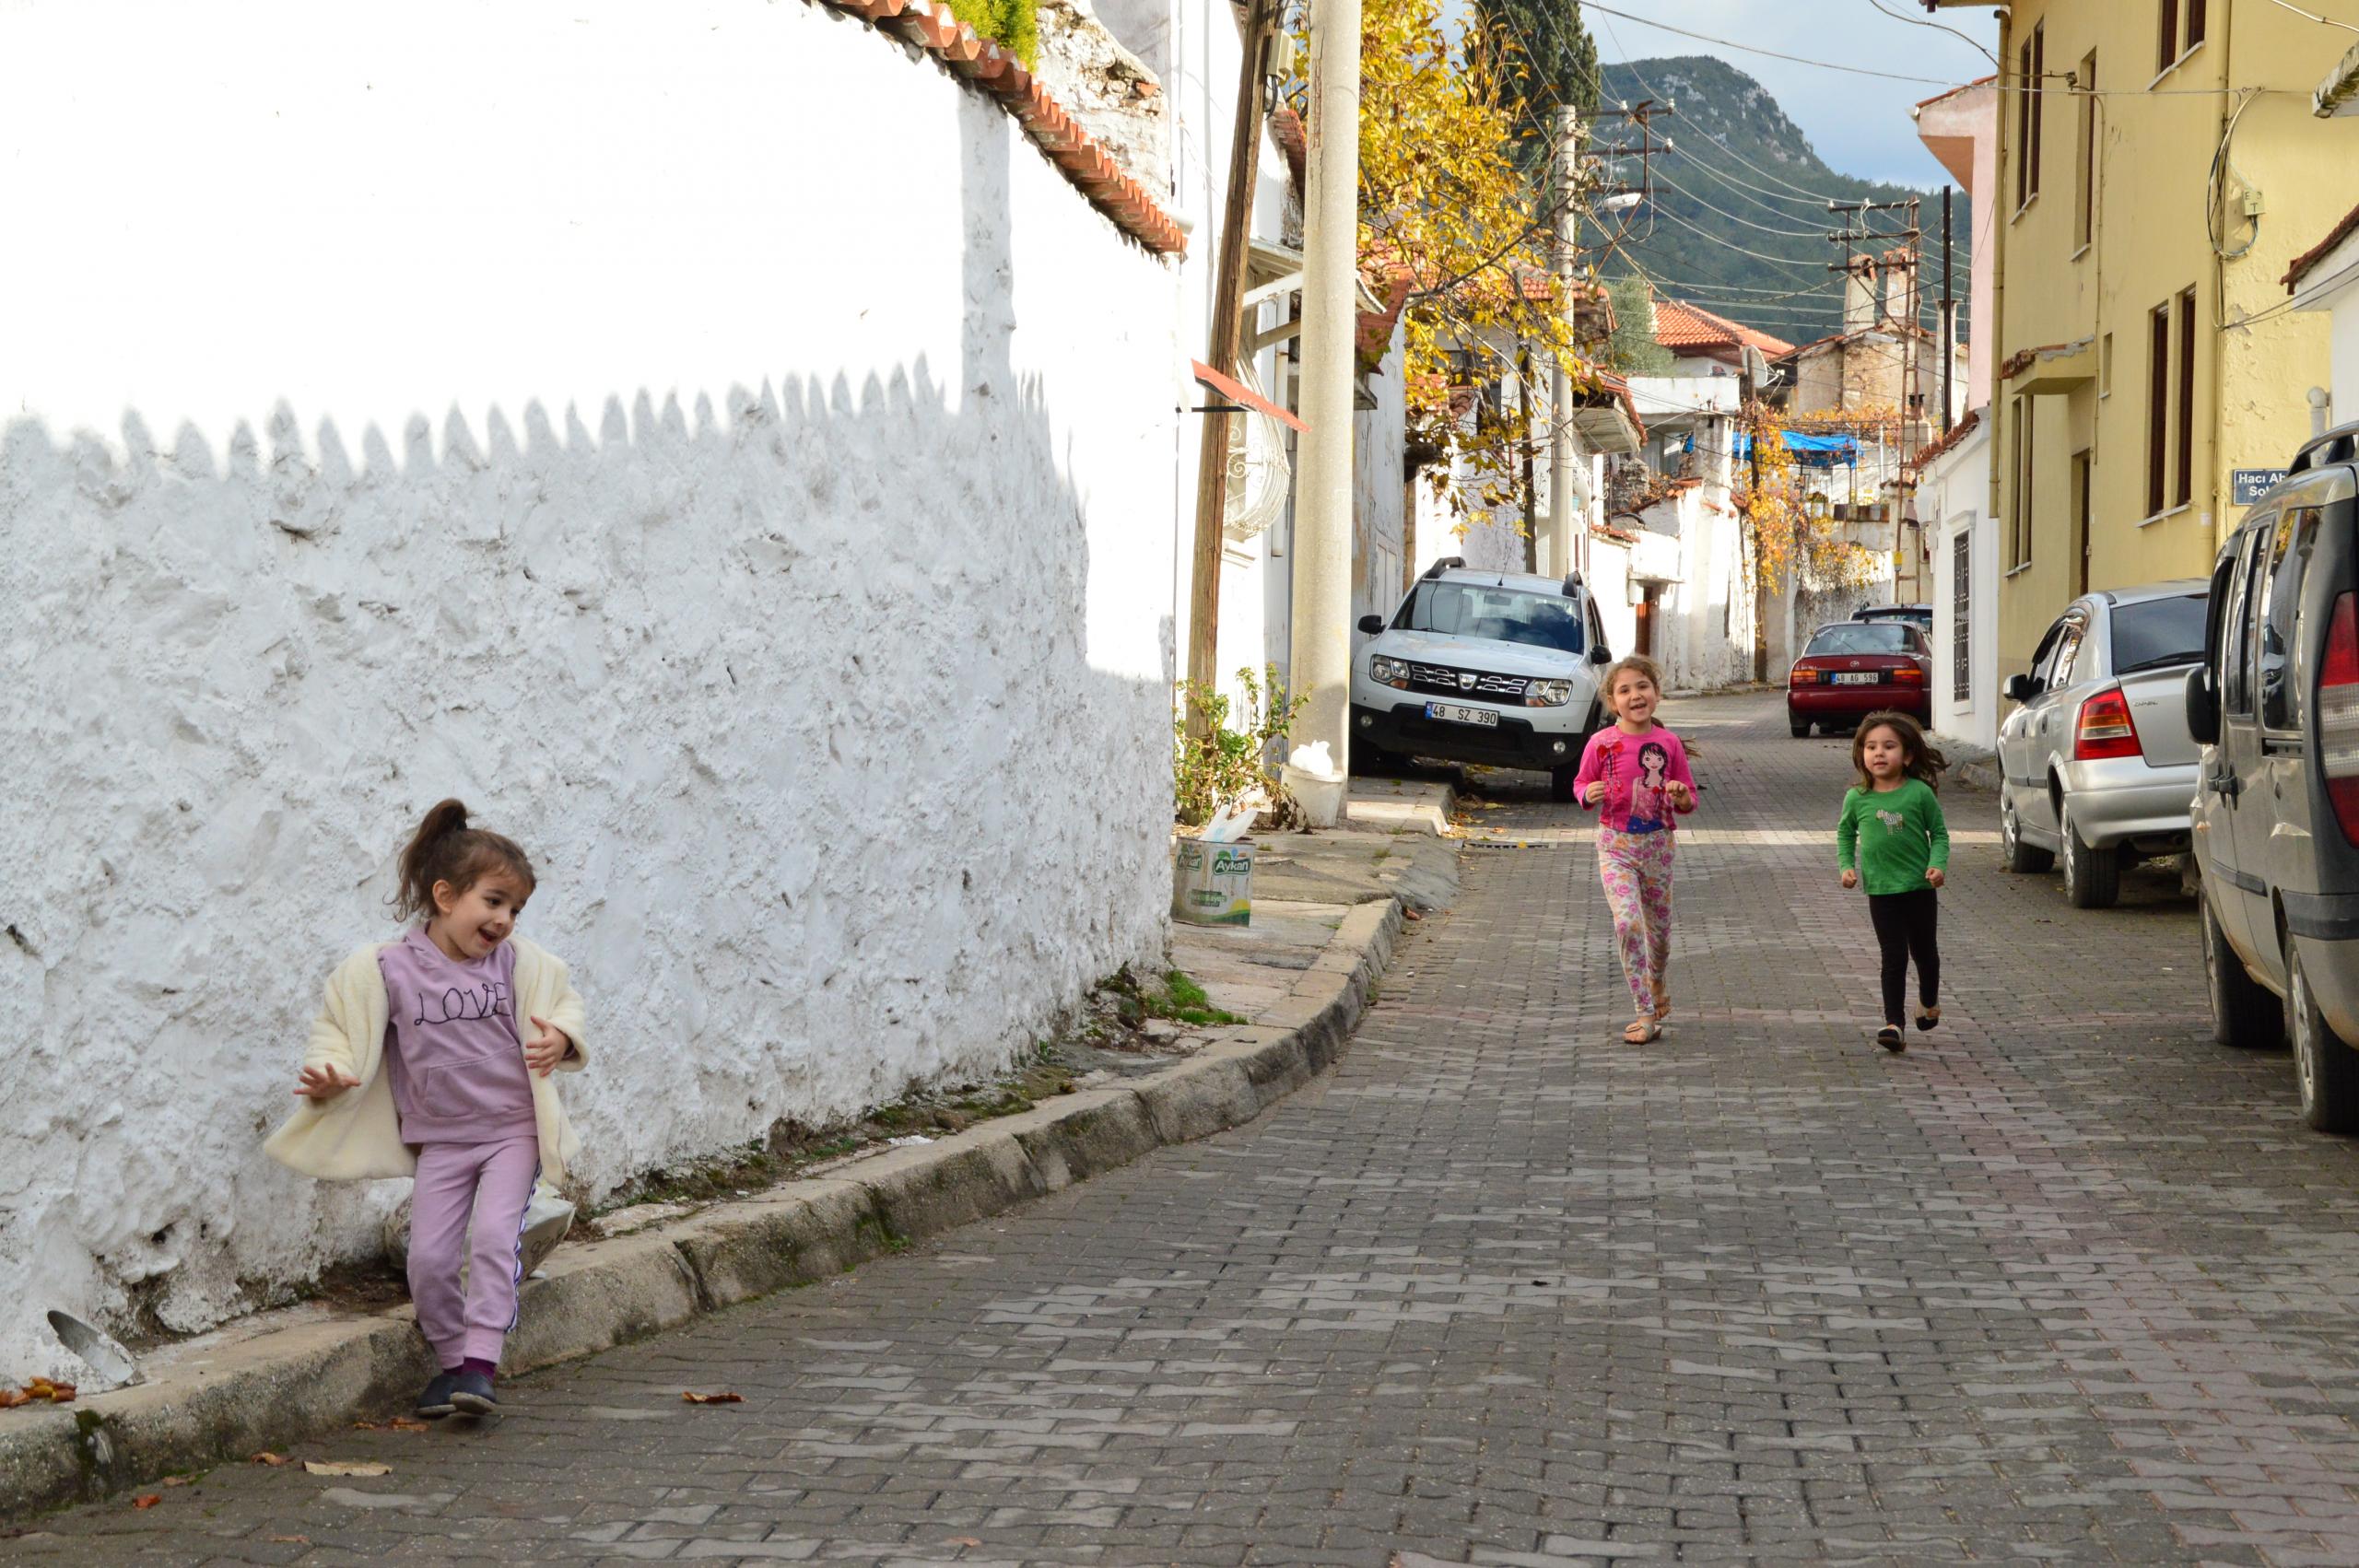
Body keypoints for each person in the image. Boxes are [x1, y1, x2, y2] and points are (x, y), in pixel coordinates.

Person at [264, 800, 589, 1419]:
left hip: (510, 1132)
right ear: (445, 896)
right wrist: (331, 1071)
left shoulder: (520, 963)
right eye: (493, 902)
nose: (504, 920)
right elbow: (340, 1025)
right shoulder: (385, 969)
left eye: (515, 909)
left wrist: (563, 1038)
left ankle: (481, 1364)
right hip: (439, 1139)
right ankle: (450, 1364)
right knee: (430, 1258)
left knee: (495, 1238)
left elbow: (563, 999)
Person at [1571, 655, 1698, 1043]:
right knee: (1628, 923)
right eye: (1624, 690)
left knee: (1659, 934)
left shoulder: (1669, 743)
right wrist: (1586, 794)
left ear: (1656, 695)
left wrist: (1679, 795)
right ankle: (1645, 1014)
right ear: (1613, 702)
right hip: (1616, 848)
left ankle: (1657, 980)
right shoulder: (1601, 744)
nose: (1635, 695)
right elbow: (1580, 785)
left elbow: (1690, 798)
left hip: (1658, 848)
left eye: (1642, 686)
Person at [1836, 712, 1951, 1052]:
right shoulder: (1857, 797)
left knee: (1925, 953)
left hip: (1918, 888)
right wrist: (1846, 866)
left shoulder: (1919, 793)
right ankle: (1893, 1024)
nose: (1879, 753)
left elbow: (1940, 834)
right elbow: (1845, 833)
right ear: (1861, 755)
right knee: (1893, 955)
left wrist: (1937, 865)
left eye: (1888, 746)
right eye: (1870, 747)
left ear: (1908, 755)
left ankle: (1928, 1001)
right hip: (1881, 889)